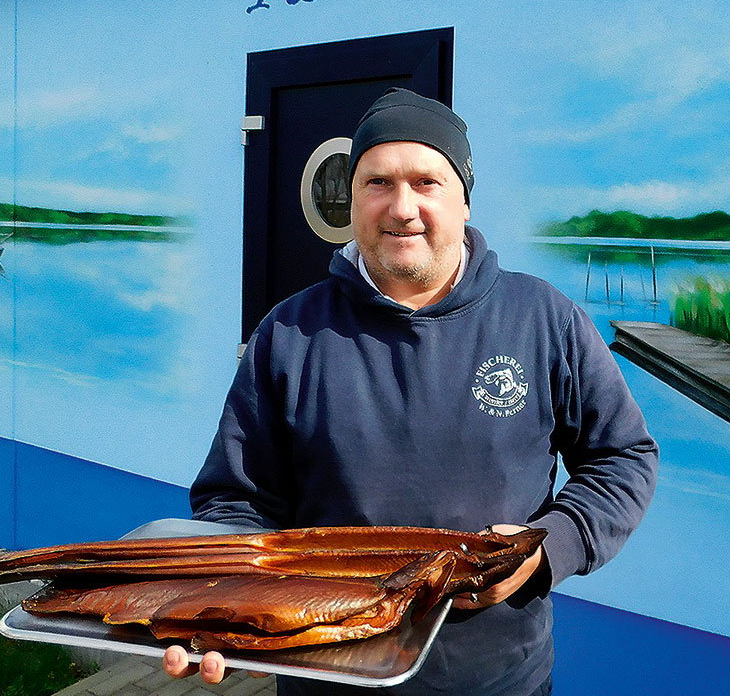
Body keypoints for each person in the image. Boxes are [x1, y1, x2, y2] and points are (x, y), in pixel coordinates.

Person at [163, 88, 659, 696]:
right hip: (326, 675)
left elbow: (623, 458)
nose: (402, 208)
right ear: (351, 200)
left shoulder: (544, 321)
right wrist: (227, 610)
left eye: (427, 182)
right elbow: (236, 502)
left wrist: (552, 543)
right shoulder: (290, 334)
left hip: (499, 679)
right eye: (377, 183)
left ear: (464, 201)